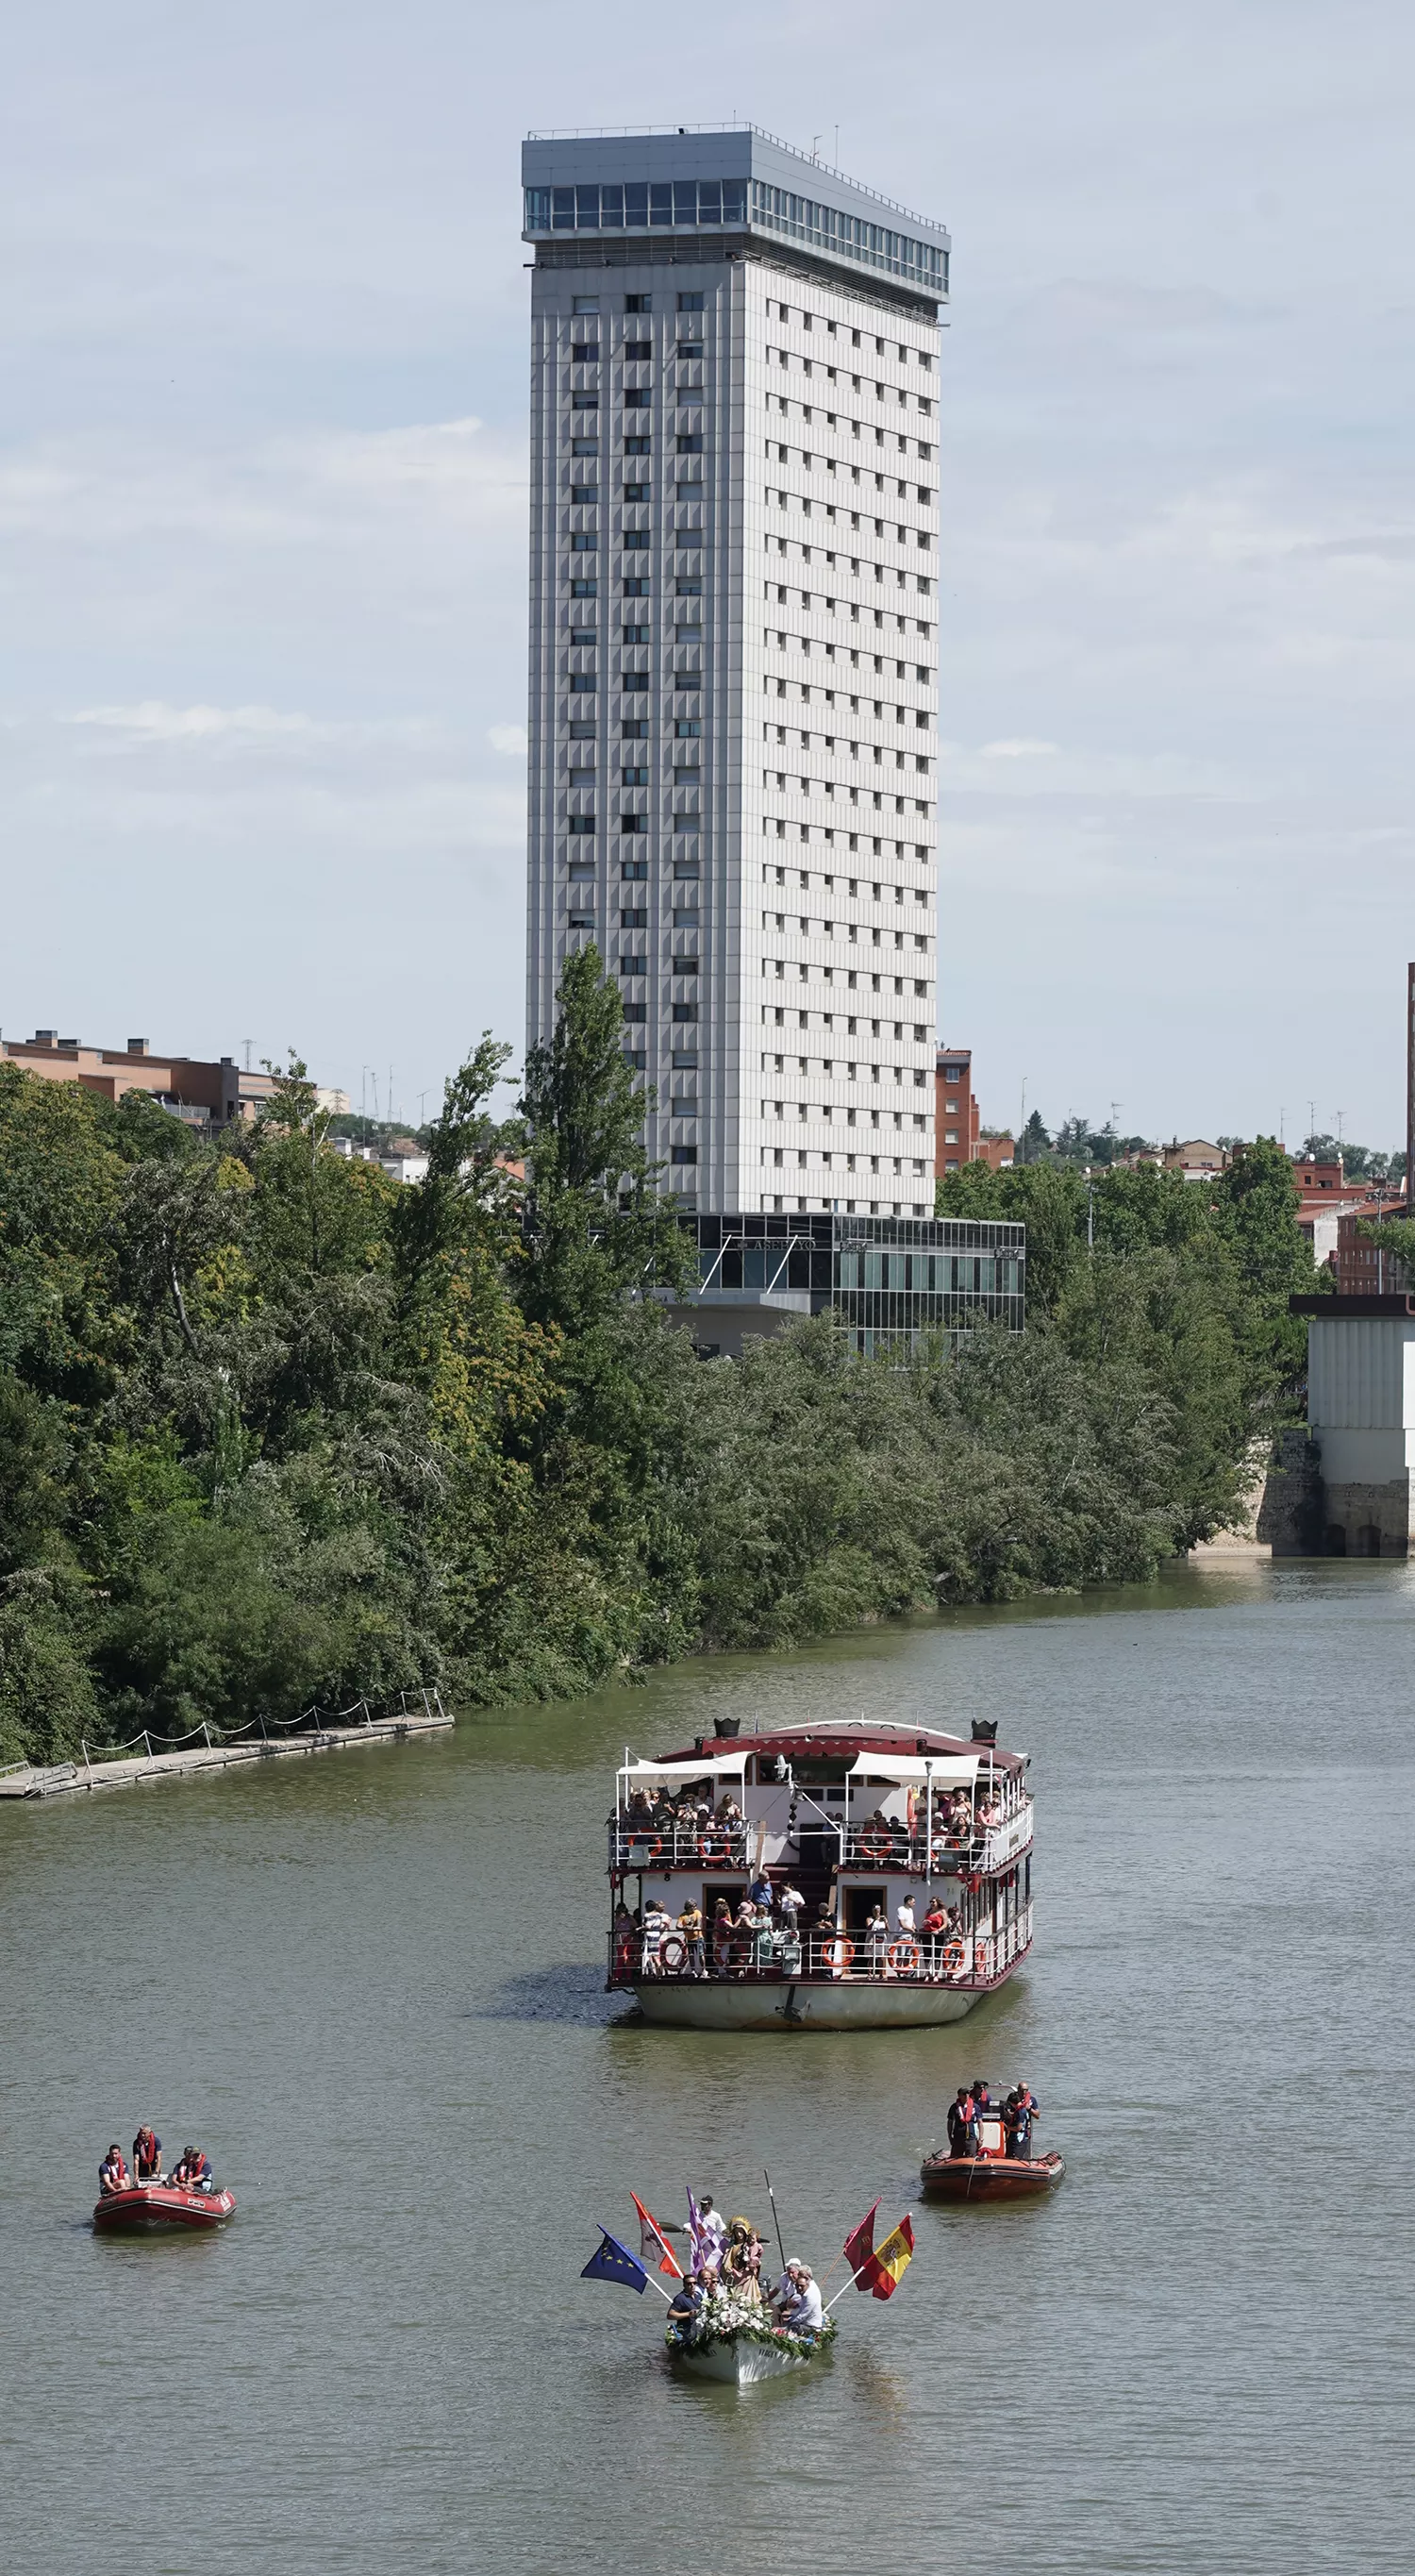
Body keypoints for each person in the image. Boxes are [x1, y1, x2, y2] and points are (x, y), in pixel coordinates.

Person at [1007, 2082, 1040, 2159]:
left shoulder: (1031, 2100)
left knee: (1024, 2151)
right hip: (1013, 2130)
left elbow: (1037, 2115)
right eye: (1022, 2090)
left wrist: (1029, 2108)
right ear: (1018, 2090)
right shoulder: (1013, 2098)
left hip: (1024, 2130)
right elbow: (1007, 2112)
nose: (1024, 2092)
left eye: (1026, 2090)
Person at [640, 1898, 671, 1976]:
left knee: (649, 1955)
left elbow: (648, 1927)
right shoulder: (659, 1915)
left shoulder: (647, 1915)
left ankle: (652, 1973)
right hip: (657, 1936)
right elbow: (661, 1924)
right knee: (656, 1956)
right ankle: (660, 1974)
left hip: (650, 1937)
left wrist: (639, 1928)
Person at [677, 1899, 707, 1980]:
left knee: (701, 1954)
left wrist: (693, 1928)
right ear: (688, 1907)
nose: (695, 1907)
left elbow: (699, 1925)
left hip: (698, 1937)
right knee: (691, 1955)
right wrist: (685, 1927)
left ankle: (704, 1970)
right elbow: (678, 1926)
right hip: (689, 1938)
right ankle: (693, 1971)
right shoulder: (682, 1915)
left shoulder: (697, 1912)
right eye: (694, 1906)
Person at [946, 2085, 976, 2159]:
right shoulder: (954, 2107)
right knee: (954, 2158)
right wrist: (950, 2136)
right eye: (964, 2094)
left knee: (971, 2158)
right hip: (958, 2137)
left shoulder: (975, 2106)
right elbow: (950, 2122)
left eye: (967, 2093)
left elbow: (980, 2122)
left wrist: (981, 2138)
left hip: (971, 2137)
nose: (966, 2095)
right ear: (959, 2095)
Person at [710, 1898, 735, 1977]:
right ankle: (721, 1971)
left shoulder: (724, 1915)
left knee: (723, 1953)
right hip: (719, 1936)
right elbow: (730, 1925)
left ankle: (722, 1970)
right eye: (718, 1903)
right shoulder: (719, 1916)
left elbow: (728, 1923)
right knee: (721, 1953)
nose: (718, 1905)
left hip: (722, 1936)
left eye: (720, 1903)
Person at [863, 1902, 889, 1978]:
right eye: (875, 1910)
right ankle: (869, 1974)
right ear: (872, 1910)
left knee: (881, 1958)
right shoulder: (869, 1919)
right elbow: (868, 1928)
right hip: (871, 1939)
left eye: (878, 1910)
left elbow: (888, 1929)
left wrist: (885, 1922)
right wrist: (875, 1920)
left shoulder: (883, 1919)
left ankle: (881, 1974)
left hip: (881, 1940)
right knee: (871, 1957)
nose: (877, 1912)